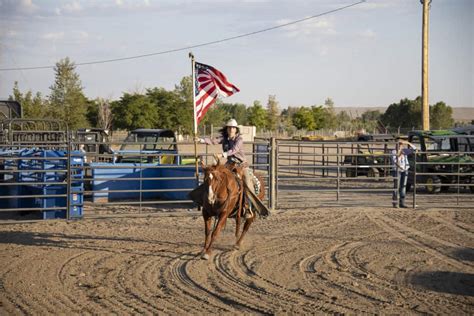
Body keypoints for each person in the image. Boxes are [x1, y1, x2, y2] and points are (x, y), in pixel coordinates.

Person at [199, 118, 259, 218]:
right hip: (229, 164)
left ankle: (248, 207)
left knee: (247, 183)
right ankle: (215, 202)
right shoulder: (225, 138)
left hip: (241, 165)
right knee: (216, 177)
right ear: (227, 129)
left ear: (236, 129)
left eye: (233, 128)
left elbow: (234, 150)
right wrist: (200, 140)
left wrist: (222, 155)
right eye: (229, 128)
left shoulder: (239, 139)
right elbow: (214, 141)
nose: (231, 129)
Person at [391, 139, 417, 208]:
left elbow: (415, 149)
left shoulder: (405, 150)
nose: (400, 146)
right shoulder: (394, 151)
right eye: (398, 144)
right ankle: (395, 202)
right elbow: (395, 161)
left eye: (401, 144)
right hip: (397, 170)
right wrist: (400, 153)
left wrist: (408, 142)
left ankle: (402, 203)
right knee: (396, 186)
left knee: (403, 187)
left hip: (405, 170)